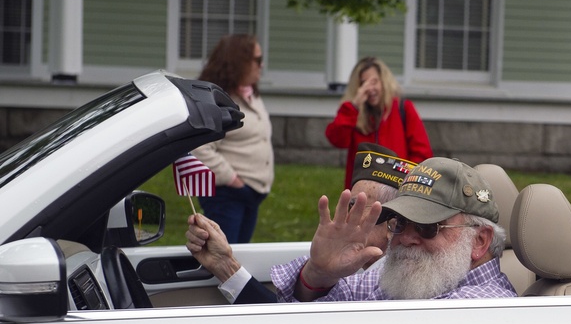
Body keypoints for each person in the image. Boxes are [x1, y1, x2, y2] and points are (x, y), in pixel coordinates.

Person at [186, 144, 416, 304]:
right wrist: (225, 265)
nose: (342, 216)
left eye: (354, 206)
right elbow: (290, 321)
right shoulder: (347, 264)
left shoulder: (402, 282)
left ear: (393, 222)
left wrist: (227, 267)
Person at [271, 156, 516, 302]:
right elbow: (342, 302)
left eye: (427, 227)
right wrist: (320, 274)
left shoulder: (481, 304)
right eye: (400, 223)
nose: (407, 237)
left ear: (479, 241)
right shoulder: (417, 279)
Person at [191, 34, 275, 243]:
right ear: (239, 61)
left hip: (250, 194)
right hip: (227, 196)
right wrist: (232, 180)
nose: (261, 65)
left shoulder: (249, 94)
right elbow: (200, 148)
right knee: (222, 258)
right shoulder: (216, 101)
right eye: (257, 60)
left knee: (239, 257)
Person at [326, 56, 434, 189]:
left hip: (396, 189)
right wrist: (354, 105)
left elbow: (422, 153)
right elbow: (337, 139)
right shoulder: (353, 113)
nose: (369, 89)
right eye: (363, 83)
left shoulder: (403, 108)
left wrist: (407, 181)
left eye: (374, 82)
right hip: (361, 191)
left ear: (384, 81)